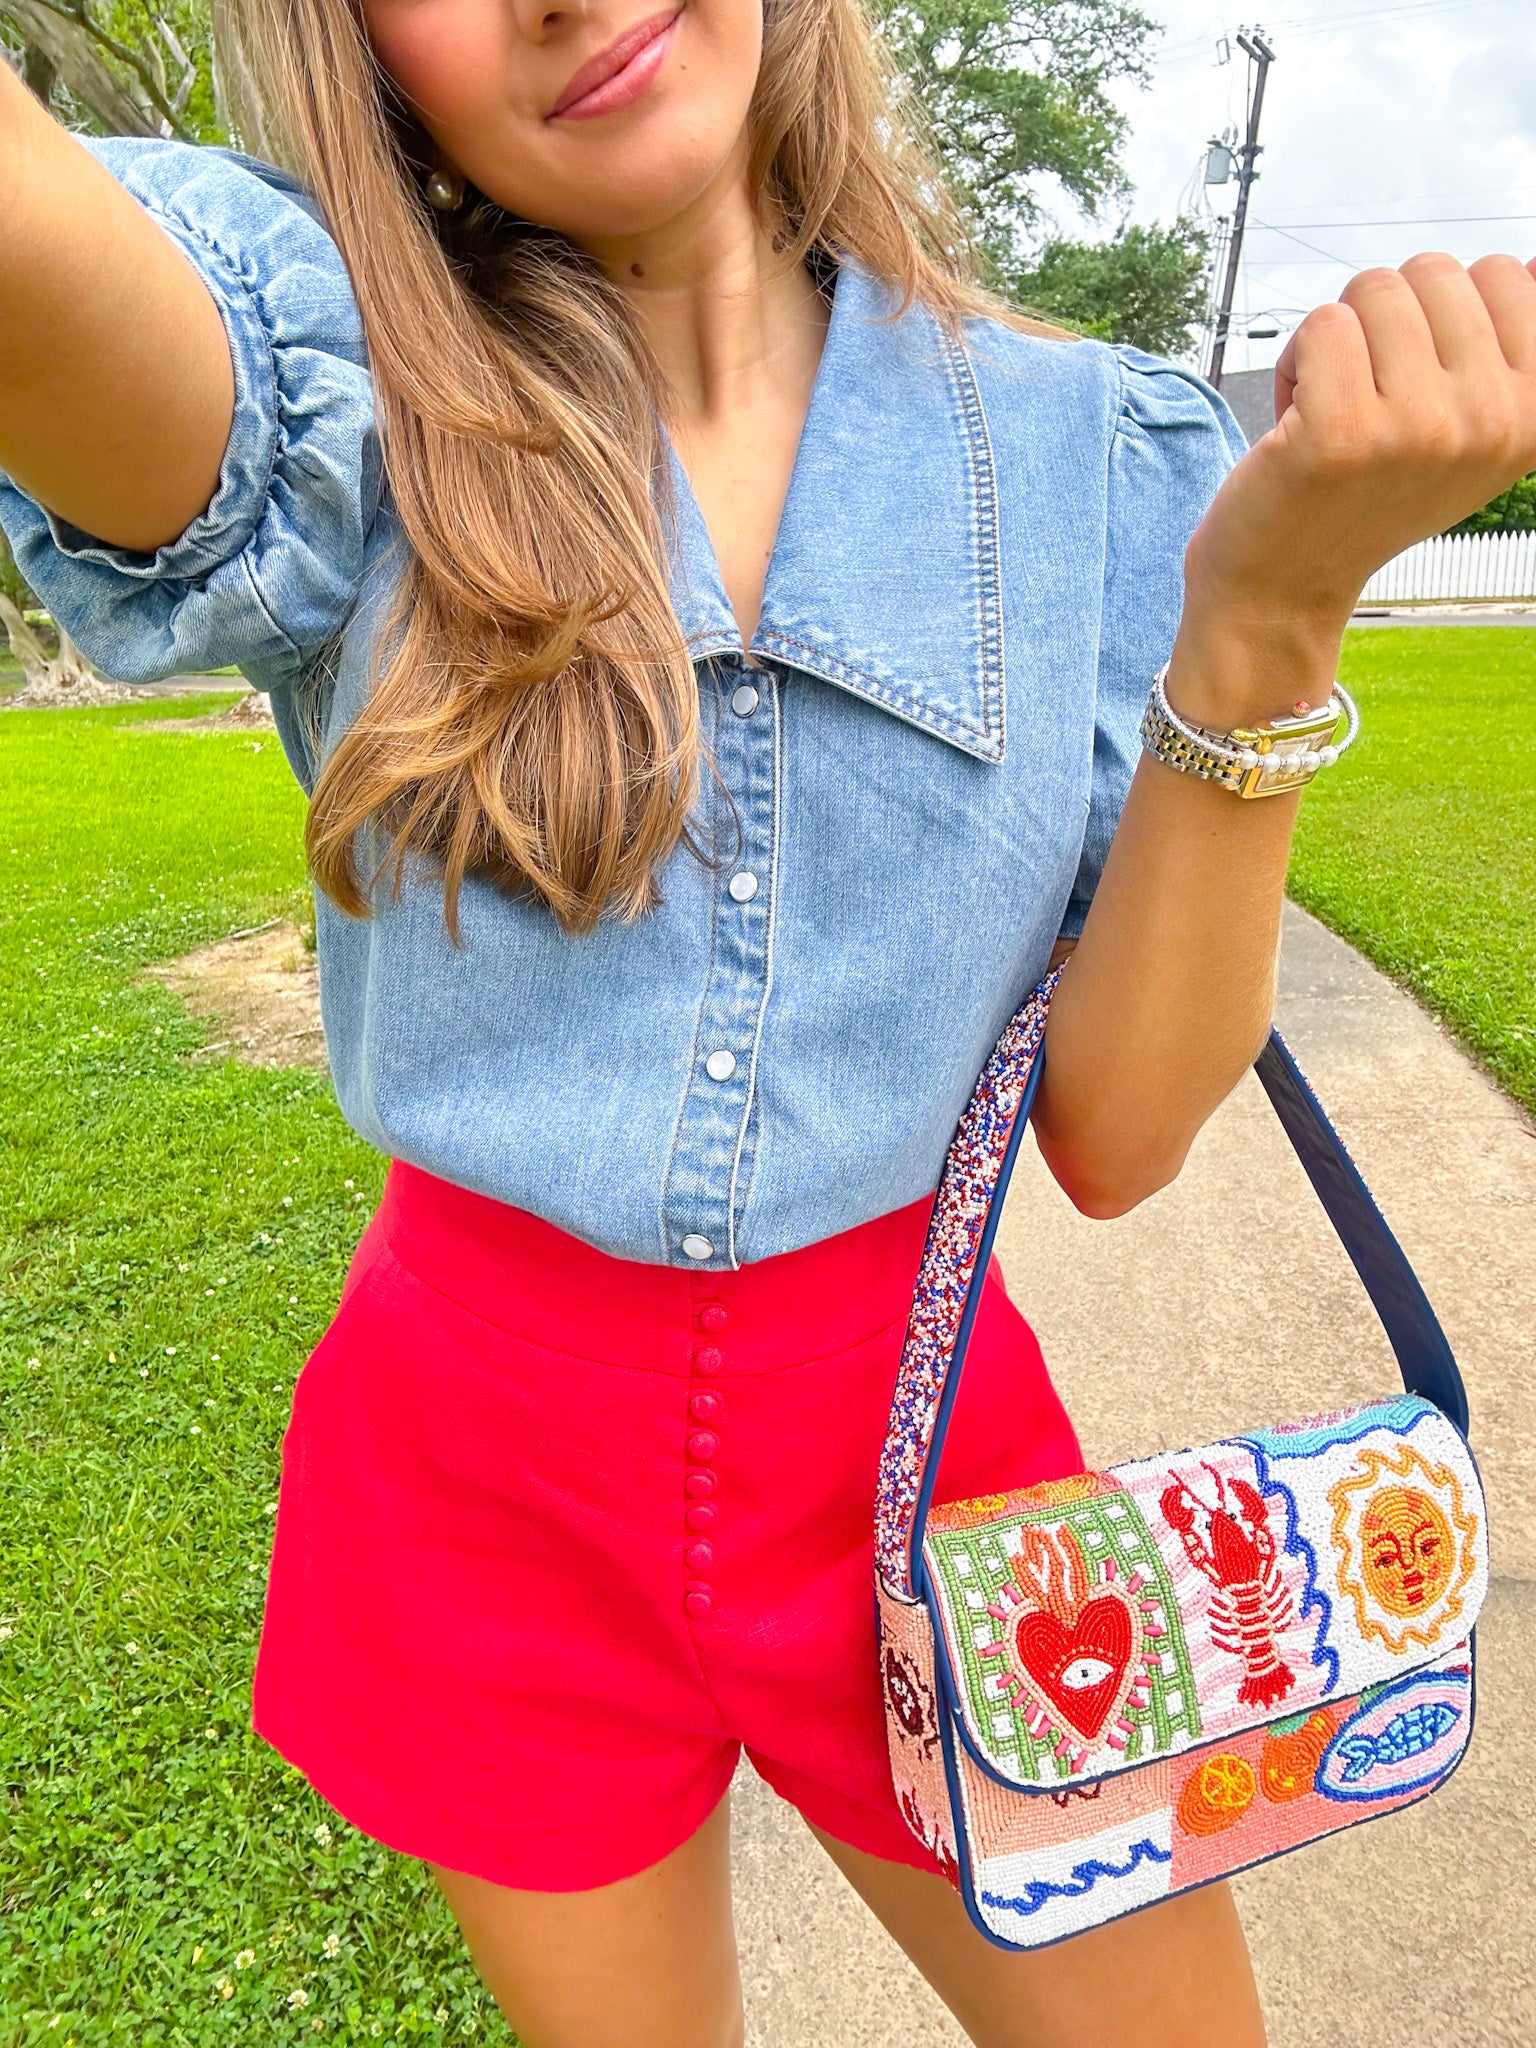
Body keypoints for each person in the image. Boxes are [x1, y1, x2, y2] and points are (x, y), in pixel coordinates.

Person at [1, 6, 1531, 2043]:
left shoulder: (1095, 457)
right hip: (476, 1486)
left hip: (932, 1469)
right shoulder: (333, 404)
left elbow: (1122, 1131)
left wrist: (1264, 622)